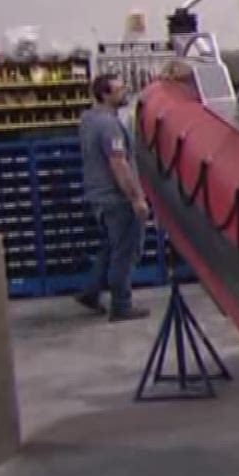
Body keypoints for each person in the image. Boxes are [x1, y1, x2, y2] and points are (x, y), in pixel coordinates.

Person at [73, 73, 151, 321]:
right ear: (104, 94)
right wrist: (136, 198)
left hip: (98, 195)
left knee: (112, 246)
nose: (124, 93)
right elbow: (118, 163)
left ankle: (91, 292)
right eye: (119, 90)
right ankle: (122, 305)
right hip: (115, 198)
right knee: (126, 251)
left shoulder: (88, 119)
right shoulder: (108, 125)